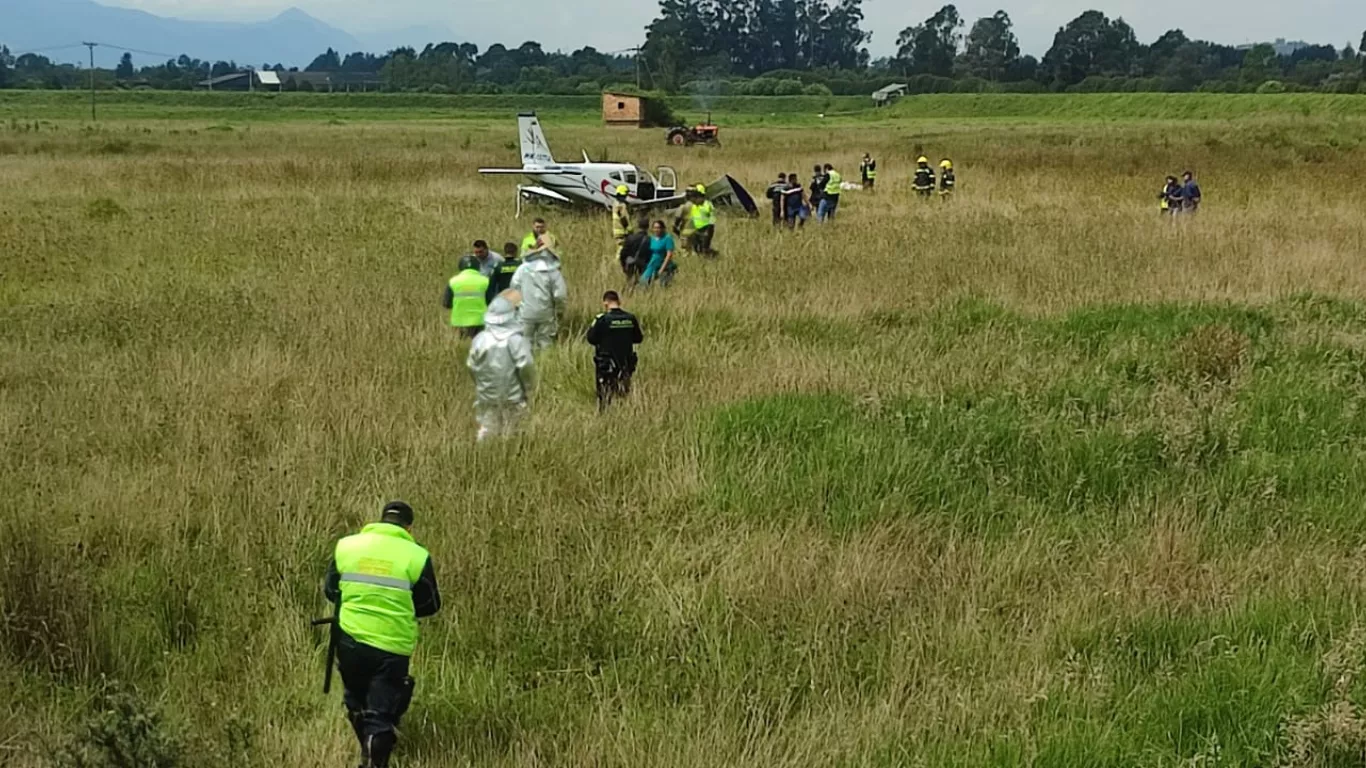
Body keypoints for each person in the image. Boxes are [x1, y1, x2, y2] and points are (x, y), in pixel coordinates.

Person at [323, 500, 441, 768]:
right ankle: (376, 756)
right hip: (391, 645)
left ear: (380, 520)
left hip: (349, 640)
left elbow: (331, 590)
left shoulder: (347, 546)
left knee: (356, 703)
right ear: (409, 528)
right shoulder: (416, 555)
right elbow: (430, 604)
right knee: (381, 714)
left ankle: (369, 749)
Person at [467, 291, 537, 440]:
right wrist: (529, 387)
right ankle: (509, 455)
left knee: (487, 427)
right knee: (512, 428)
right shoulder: (516, 340)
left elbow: (471, 366)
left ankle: (483, 456)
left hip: (487, 393)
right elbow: (526, 365)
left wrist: (480, 385)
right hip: (513, 395)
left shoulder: (480, 339)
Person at [586, 290, 644, 411]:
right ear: (619, 302)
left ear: (605, 303)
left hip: (606, 363)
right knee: (623, 392)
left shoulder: (602, 319)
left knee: (605, 394)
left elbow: (591, 338)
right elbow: (638, 338)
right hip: (626, 362)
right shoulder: (630, 318)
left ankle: (605, 415)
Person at [509, 237, 568, 351]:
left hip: (525, 312)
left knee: (524, 343)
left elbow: (514, 288)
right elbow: (560, 295)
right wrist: (559, 311)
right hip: (546, 312)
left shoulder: (522, 269)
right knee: (545, 343)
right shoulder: (553, 271)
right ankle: (545, 366)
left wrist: (516, 308)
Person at [443, 255, 490, 339]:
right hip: (480, 321)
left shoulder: (453, 281)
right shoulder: (485, 281)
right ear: (478, 267)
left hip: (459, 322)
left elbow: (446, 304)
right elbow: (491, 301)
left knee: (461, 347)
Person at [641, 220, 677, 287]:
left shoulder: (667, 238)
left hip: (663, 263)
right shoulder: (652, 239)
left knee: (663, 285)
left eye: (658, 227)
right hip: (652, 263)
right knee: (643, 281)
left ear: (663, 228)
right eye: (655, 228)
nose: (656, 230)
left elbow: (669, 255)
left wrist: (661, 269)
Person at [684, 186, 716, 257]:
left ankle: (710, 256)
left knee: (704, 248)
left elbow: (712, 219)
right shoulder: (693, 206)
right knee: (696, 249)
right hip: (696, 230)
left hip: (706, 229)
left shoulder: (708, 204)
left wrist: (708, 231)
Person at [619, 217, 652, 286]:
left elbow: (623, 254)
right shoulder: (650, 240)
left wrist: (624, 266)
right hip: (643, 267)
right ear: (648, 227)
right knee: (644, 288)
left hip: (631, 264)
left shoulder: (630, 238)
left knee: (630, 286)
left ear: (638, 226)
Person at [610, 186, 631, 251]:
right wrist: (629, 230)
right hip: (623, 231)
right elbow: (623, 218)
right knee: (623, 250)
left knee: (620, 248)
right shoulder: (622, 205)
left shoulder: (615, 203)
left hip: (616, 231)